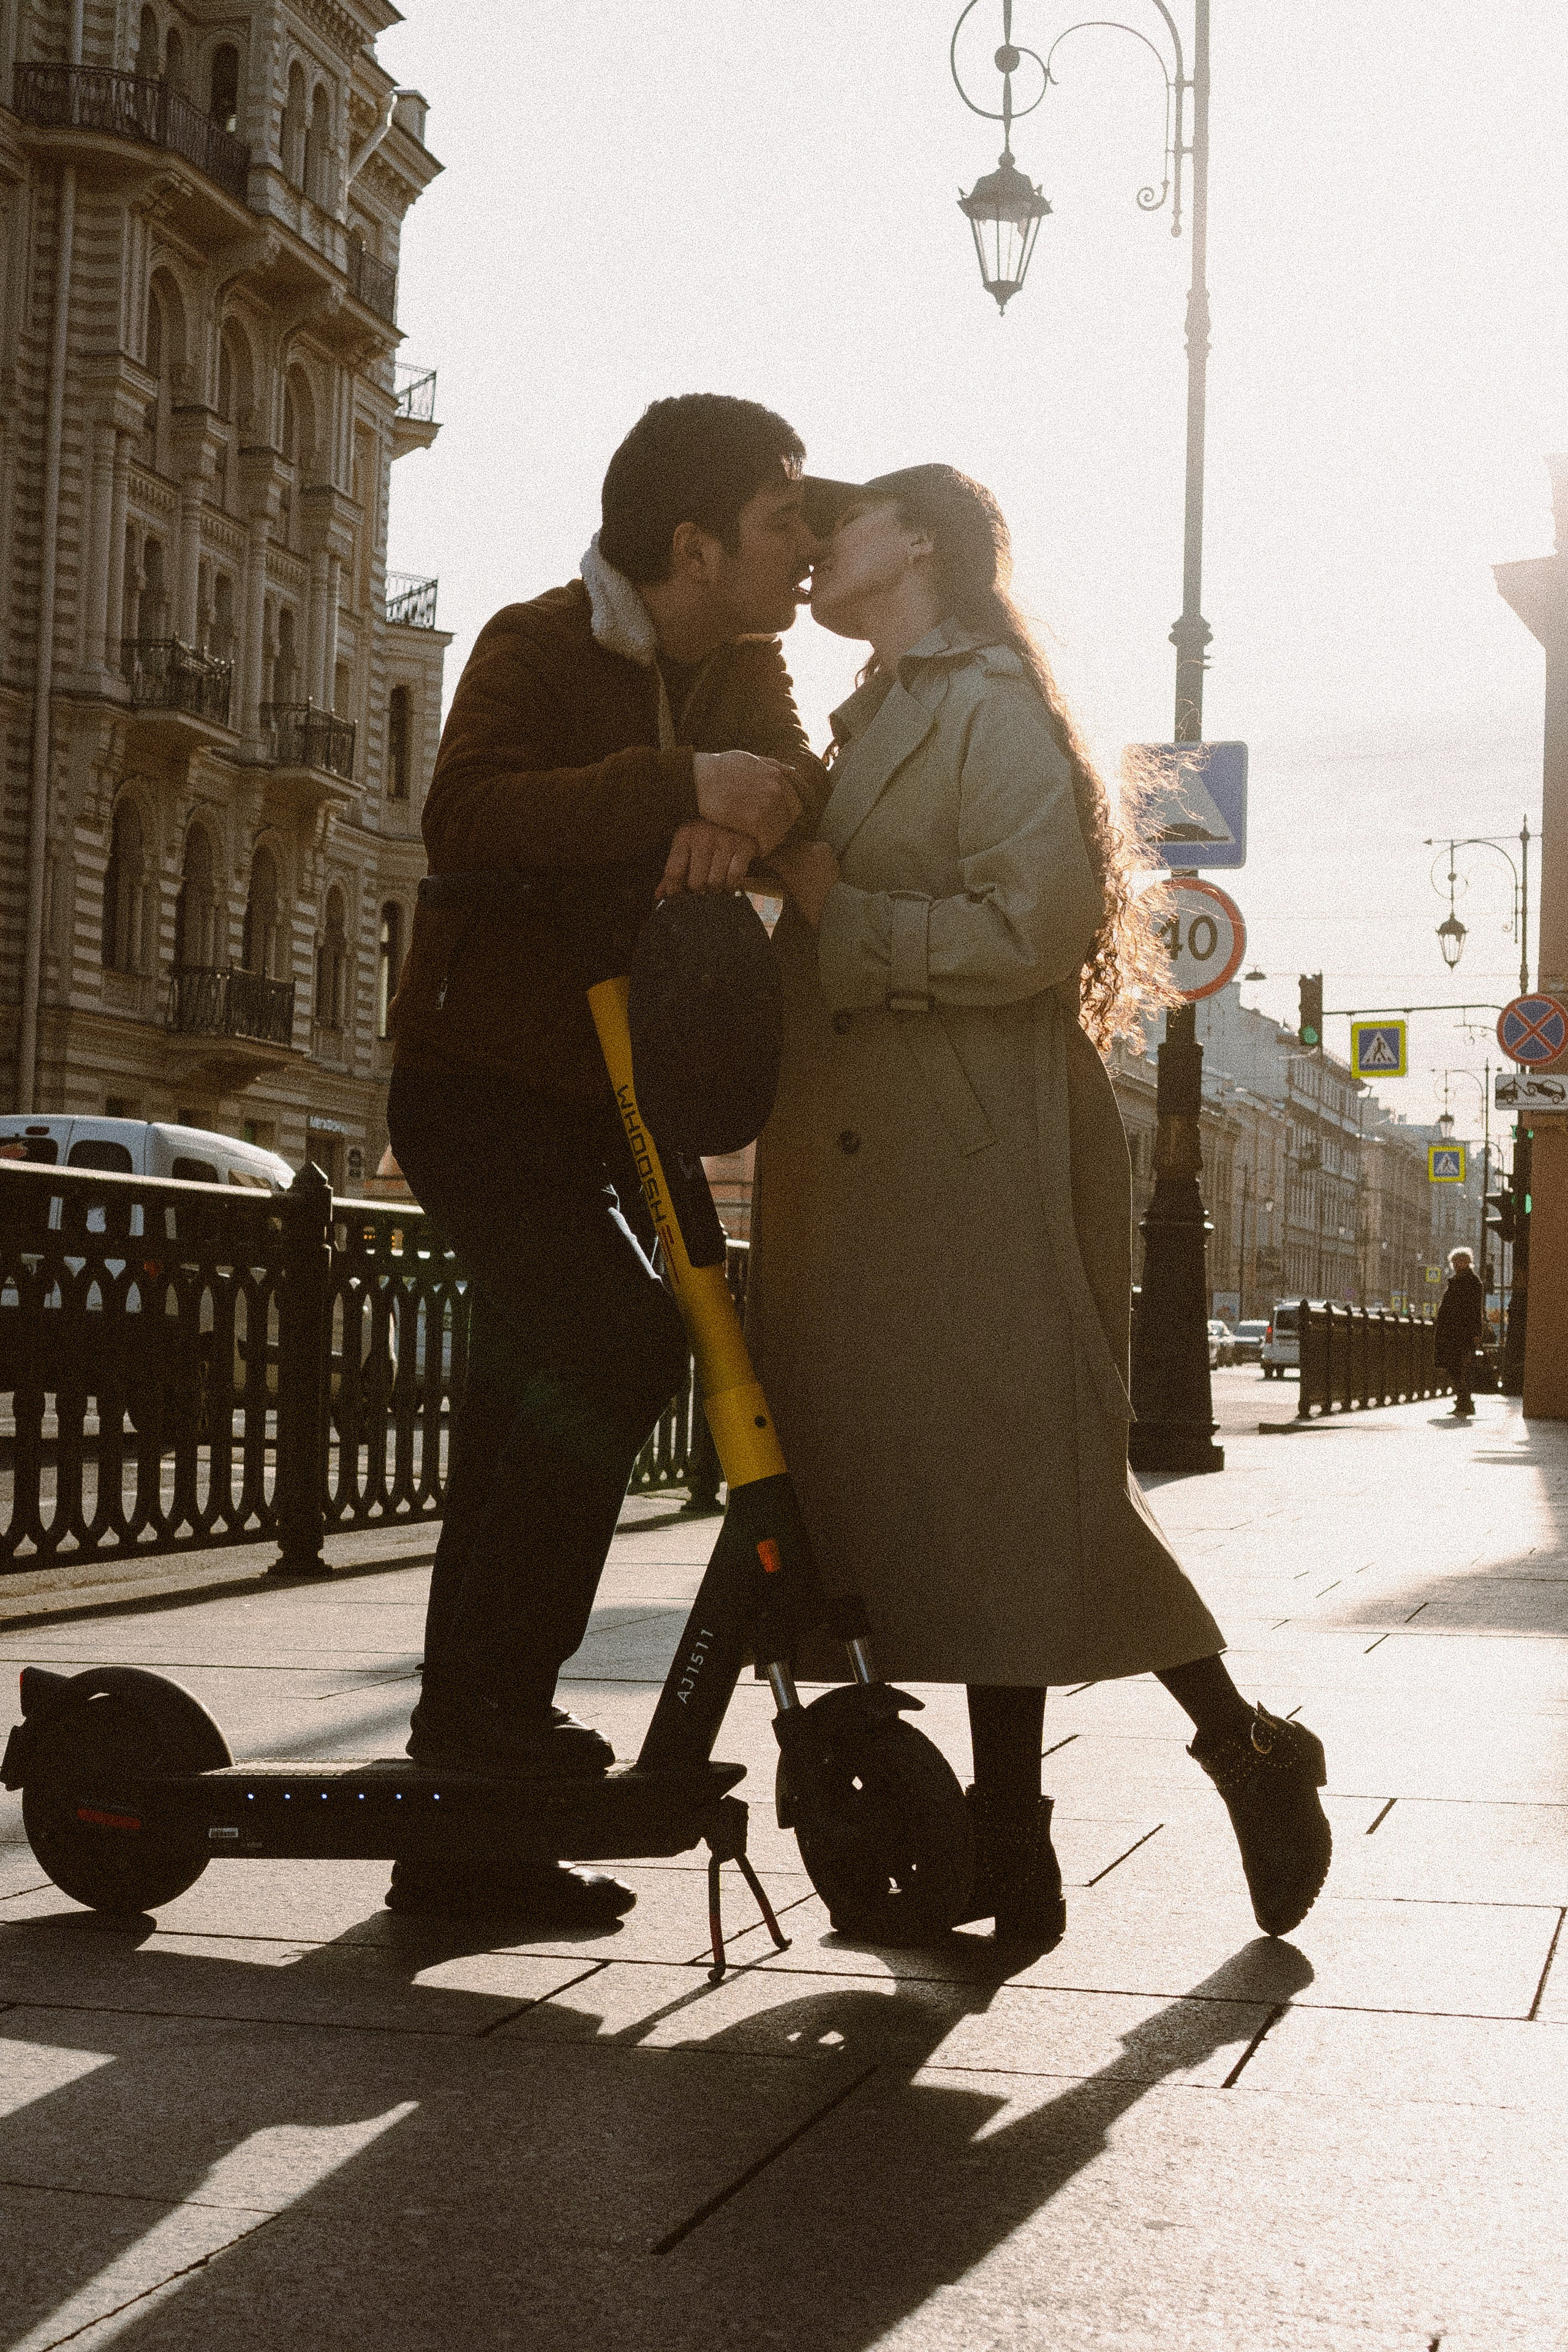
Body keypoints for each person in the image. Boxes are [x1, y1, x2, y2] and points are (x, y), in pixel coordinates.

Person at [753, 464, 1333, 1951]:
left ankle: (1224, 1759)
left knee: (1028, 1495)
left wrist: (834, 904)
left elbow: (1036, 926)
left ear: (925, 540)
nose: (821, 549)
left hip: (978, 1151)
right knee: (960, 1514)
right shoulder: (878, 706)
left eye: (848, 525)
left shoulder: (985, 705)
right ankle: (1036, 1834)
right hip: (886, 1165)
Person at [384, 394, 829, 1922]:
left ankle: (462, 1821)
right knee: (610, 1334)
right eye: (785, 516)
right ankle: (492, 1727)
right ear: (693, 543)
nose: (810, 543)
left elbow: (793, 788)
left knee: (517, 1407)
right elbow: (469, 810)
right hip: (476, 1088)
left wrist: (734, 804)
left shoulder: (744, 665)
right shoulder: (532, 641)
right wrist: (679, 792)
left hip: (601, 1099)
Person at [1434, 1246, 1486, 1415]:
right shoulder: (1457, 1281)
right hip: (1451, 1332)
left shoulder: (1472, 1282)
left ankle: (1465, 1402)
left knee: (1458, 1367)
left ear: (1468, 1262)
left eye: (1460, 1261)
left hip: (1461, 1333)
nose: (1457, 1264)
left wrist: (1476, 1333)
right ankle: (1464, 1401)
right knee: (1454, 1367)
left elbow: (1475, 1310)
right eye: (1454, 1261)